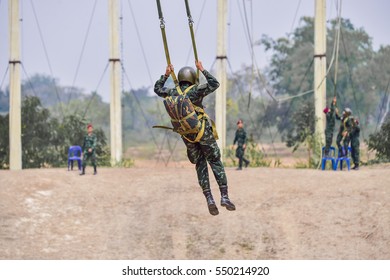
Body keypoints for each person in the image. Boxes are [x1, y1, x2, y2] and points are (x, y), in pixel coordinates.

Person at [154, 61, 235, 216]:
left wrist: (165, 75)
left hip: (188, 136)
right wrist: (202, 69)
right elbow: (214, 83)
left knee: (200, 164)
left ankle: (209, 199)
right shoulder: (195, 91)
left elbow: (157, 89)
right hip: (203, 132)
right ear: (192, 78)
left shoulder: (173, 92)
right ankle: (224, 196)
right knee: (215, 161)